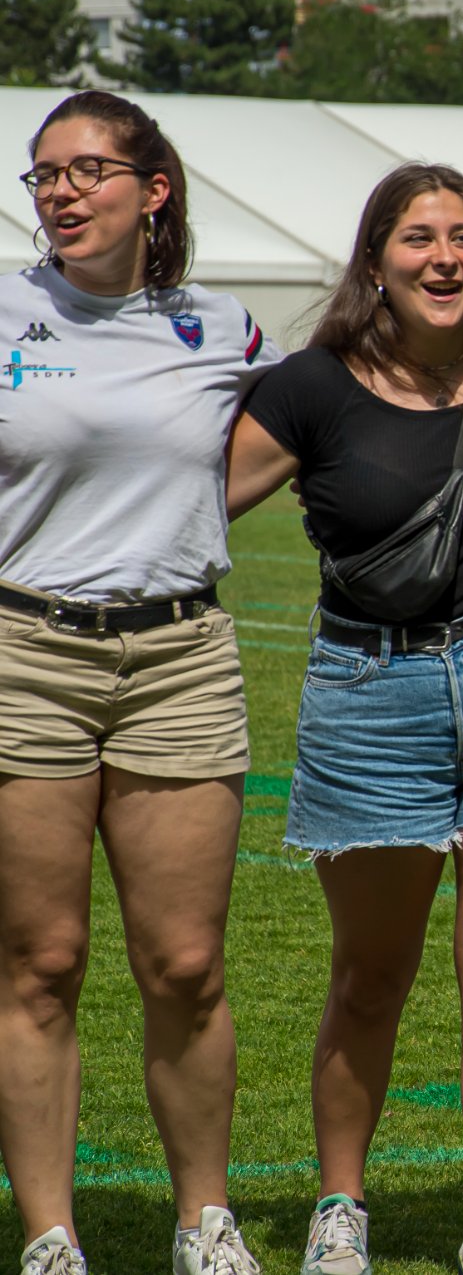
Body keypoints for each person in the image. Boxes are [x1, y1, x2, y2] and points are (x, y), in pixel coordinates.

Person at [224, 163, 463, 1275]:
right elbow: (185, 504)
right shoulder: (308, 389)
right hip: (369, 695)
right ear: (375, 261)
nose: (445, 257)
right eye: (419, 237)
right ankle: (342, 1209)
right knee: (371, 973)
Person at [0, 91, 281, 1275]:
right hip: (25, 656)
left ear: (152, 189)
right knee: (42, 960)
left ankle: (202, 1220)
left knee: (185, 963)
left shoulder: (222, 325)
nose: (63, 192)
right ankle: (53, 1235)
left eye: (89, 170)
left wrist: (180, 524)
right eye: (43, 175)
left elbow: (288, 440)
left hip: (180, 661)